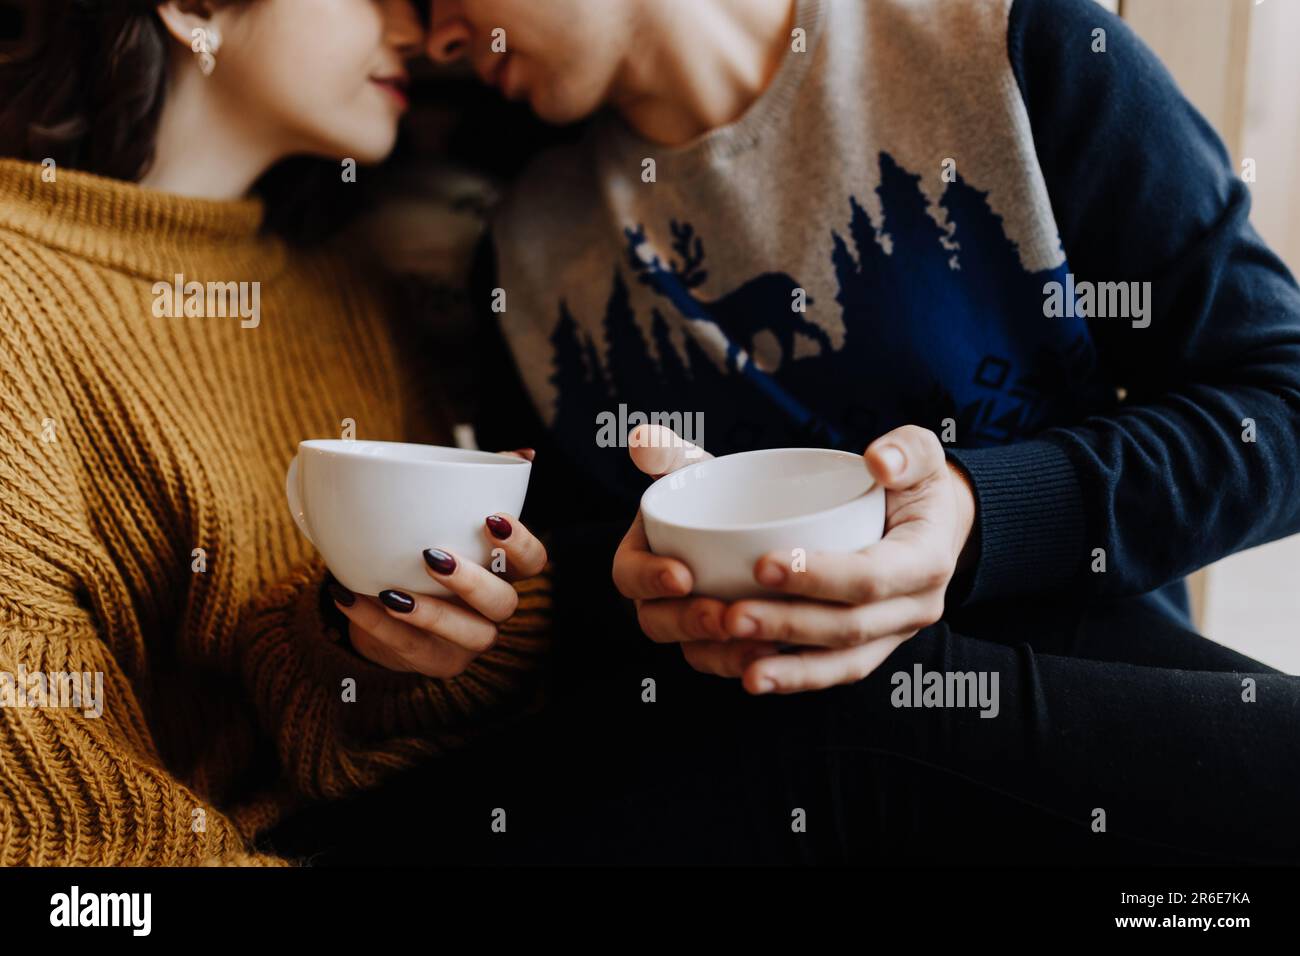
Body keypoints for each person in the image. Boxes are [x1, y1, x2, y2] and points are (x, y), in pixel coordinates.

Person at [357, 0, 1300, 863]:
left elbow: (1283, 408)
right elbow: (596, 631)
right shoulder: (524, 255)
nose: (437, 37)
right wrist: (592, 589)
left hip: (1073, 745)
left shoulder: (1011, 48)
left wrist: (977, 512)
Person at [0, 0, 552, 866]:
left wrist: (410, 646)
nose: (422, 33)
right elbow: (57, 835)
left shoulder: (354, 293)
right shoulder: (14, 300)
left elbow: (380, 732)